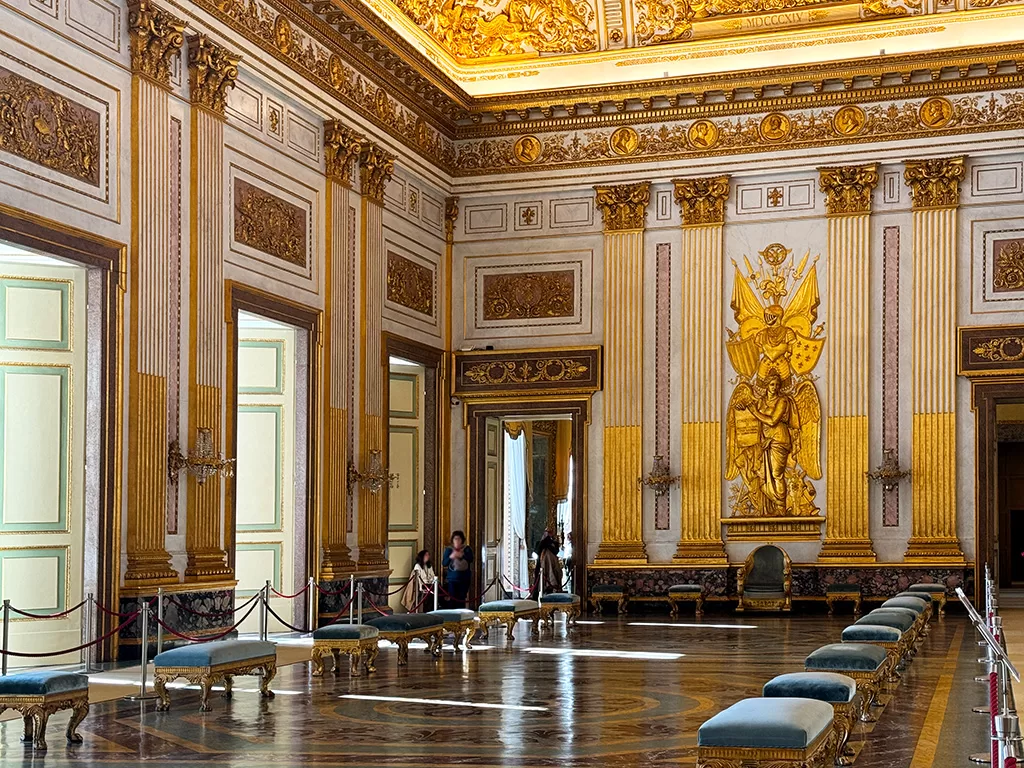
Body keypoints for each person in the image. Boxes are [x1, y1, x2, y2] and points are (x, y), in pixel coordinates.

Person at [442, 531, 474, 608]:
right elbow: (444, 563)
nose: (457, 541)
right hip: (452, 579)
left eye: (459, 539)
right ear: (452, 540)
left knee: (461, 599)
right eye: (455, 539)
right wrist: (451, 557)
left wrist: (462, 555)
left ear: (462, 540)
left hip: (464, 578)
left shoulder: (467, 549)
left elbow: (471, 559)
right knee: (452, 599)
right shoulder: (449, 550)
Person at [530, 529, 562, 600]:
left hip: (552, 565)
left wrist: (549, 542)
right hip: (541, 566)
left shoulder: (554, 543)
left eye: (549, 533)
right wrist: (544, 541)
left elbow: (555, 551)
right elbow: (537, 550)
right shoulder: (539, 543)